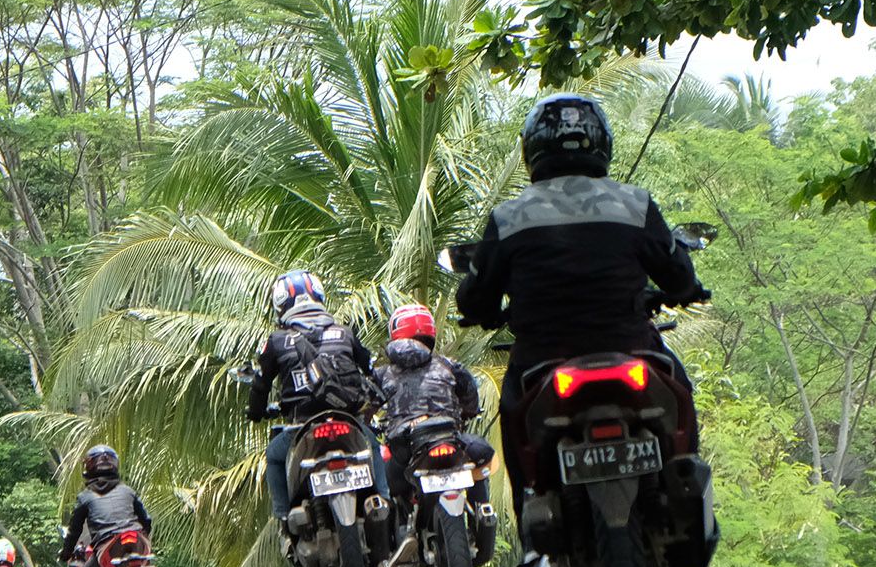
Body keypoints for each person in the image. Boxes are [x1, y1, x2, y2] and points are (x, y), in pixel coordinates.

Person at [455, 92, 708, 526]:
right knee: (679, 389)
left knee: (514, 416)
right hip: (630, 347)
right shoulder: (635, 203)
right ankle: (684, 484)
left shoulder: (509, 216)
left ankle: (532, 511)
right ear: (601, 143)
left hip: (542, 358)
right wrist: (687, 290)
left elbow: (475, 297)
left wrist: (483, 310)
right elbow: (677, 273)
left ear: (532, 148)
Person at [247, 270, 388, 530]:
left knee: (274, 456)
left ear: (281, 305)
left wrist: (255, 412)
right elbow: (370, 370)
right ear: (319, 296)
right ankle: (383, 499)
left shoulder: (276, 341)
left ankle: (283, 516)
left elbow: (260, 385)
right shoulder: (344, 333)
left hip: (302, 425)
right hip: (349, 420)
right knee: (373, 447)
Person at [373, 302, 495, 501]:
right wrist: (467, 412)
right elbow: (470, 397)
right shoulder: (449, 366)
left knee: (381, 485)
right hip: (447, 437)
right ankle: (483, 513)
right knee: (481, 460)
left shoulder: (383, 374)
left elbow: (367, 403)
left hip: (404, 447)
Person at [58, 445, 152, 567]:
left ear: (89, 468)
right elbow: (146, 520)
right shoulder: (127, 490)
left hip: (107, 547)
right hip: (136, 540)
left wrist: (66, 553)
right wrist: (144, 534)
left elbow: (75, 531)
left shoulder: (85, 497)